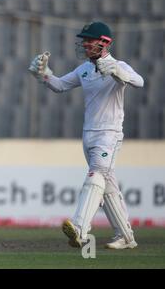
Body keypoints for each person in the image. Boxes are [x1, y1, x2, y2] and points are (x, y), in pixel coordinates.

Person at [28, 21, 144, 249]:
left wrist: (118, 72)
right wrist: (43, 74)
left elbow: (140, 82)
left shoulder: (119, 66)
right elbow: (60, 85)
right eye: (84, 40)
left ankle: (80, 229)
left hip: (109, 134)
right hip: (88, 135)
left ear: (104, 43)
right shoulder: (84, 69)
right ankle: (126, 237)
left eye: (89, 40)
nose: (84, 44)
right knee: (107, 185)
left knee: (96, 175)